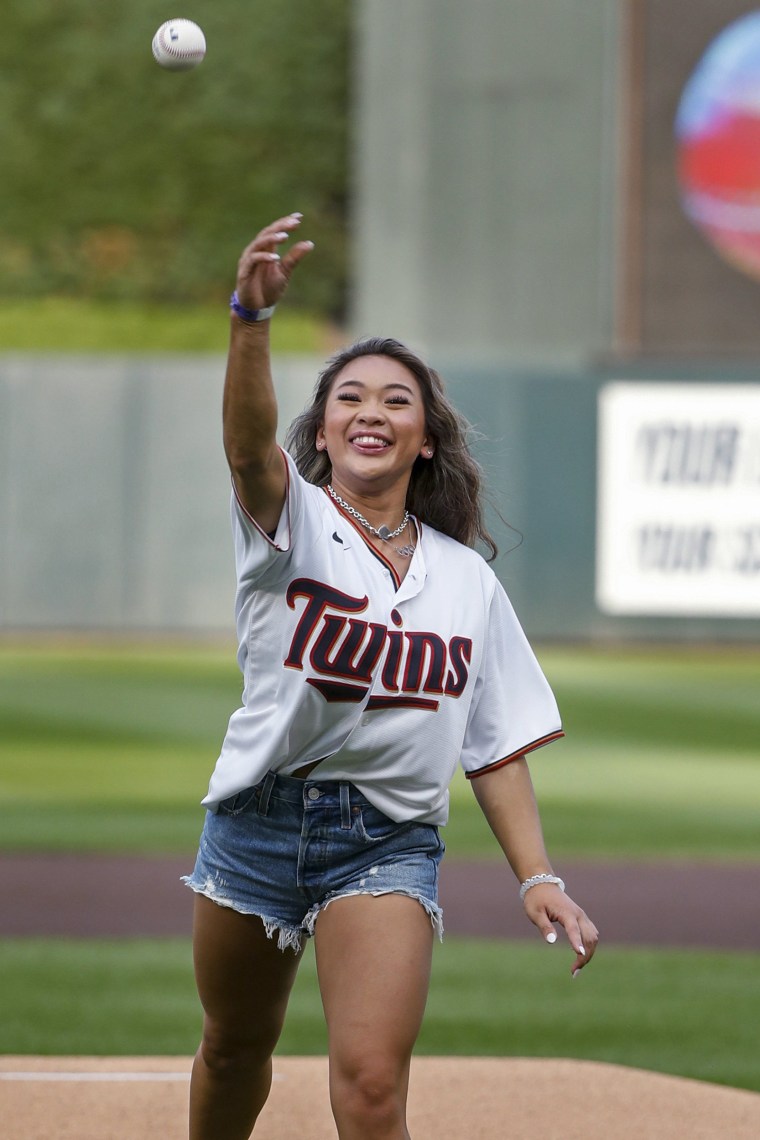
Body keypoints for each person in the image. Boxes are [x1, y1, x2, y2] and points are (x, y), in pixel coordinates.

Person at [183, 212, 599, 1140]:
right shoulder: (288, 523)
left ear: (425, 442)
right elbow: (249, 449)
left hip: (385, 841)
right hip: (258, 820)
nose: (373, 409)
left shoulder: (467, 581)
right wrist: (250, 323)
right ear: (323, 436)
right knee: (234, 1049)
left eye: (397, 401)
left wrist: (538, 875)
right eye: (351, 397)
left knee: (373, 1087)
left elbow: (492, 746)